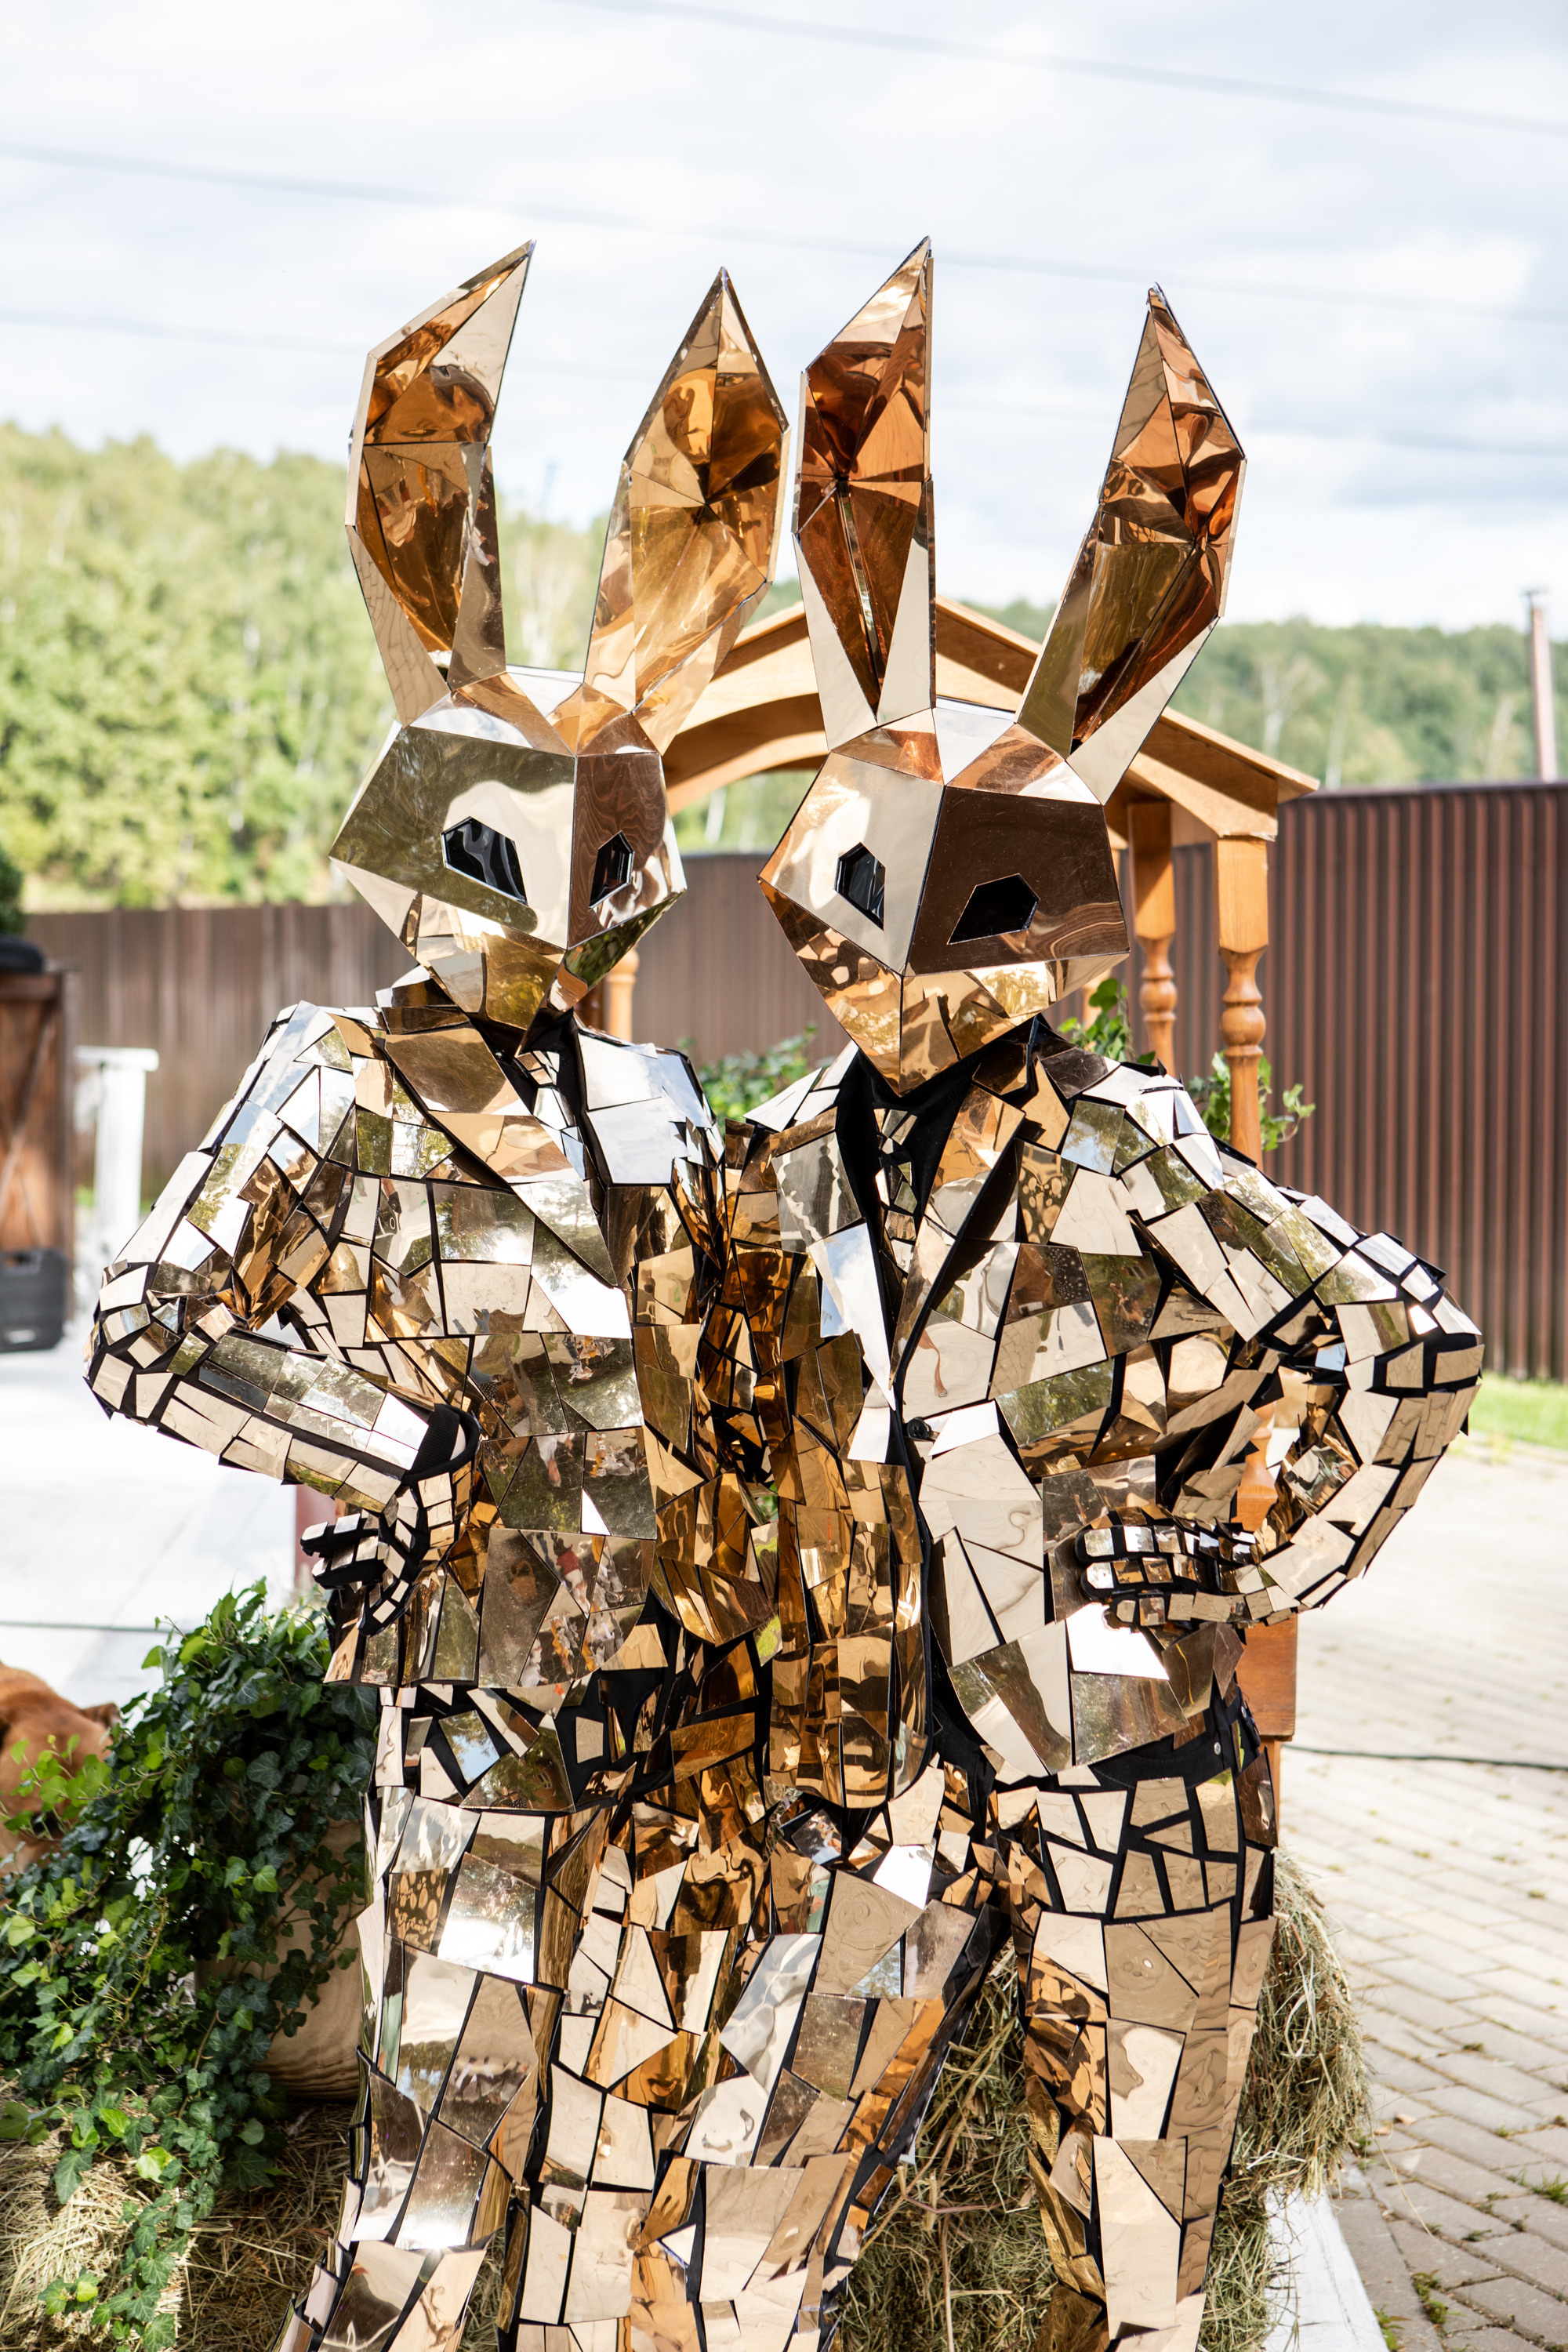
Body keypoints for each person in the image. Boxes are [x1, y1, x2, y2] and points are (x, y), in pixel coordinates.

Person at [662, 243, 1484, 2352]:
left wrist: (1239, 1546)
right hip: (876, 1798)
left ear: (1018, 931)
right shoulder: (779, 1161)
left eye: (891, 930)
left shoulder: (1140, 1161)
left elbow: (1409, 1343)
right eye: (825, 928)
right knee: (751, 2217)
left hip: (1131, 1788)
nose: (846, 973)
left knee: (1130, 2279)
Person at [85, 241, 791, 2351]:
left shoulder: (659, 1091)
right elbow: (149, 1332)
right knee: (432, 2172)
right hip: (471, 1699)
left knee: (618, 2176)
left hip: (684, 1709)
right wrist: (396, 1440)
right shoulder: (337, 1073)